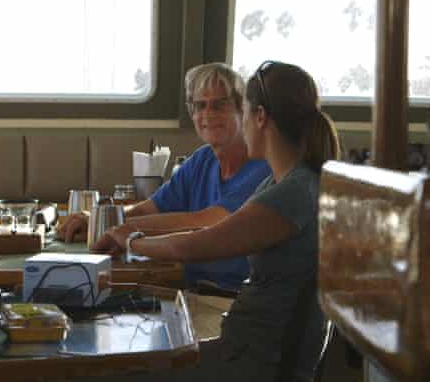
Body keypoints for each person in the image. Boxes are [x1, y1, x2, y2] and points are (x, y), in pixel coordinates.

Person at [92, 61, 340, 381]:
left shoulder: (294, 191)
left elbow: (199, 244)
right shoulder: (283, 182)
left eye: (243, 111)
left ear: (259, 117)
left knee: (109, 369)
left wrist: (132, 241)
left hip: (253, 360)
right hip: (243, 345)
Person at [59, 63, 270, 290]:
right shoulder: (202, 159)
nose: (208, 114)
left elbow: (206, 222)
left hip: (230, 294)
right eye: (200, 105)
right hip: (189, 286)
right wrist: (96, 217)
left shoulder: (262, 166)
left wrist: (115, 228)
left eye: (219, 104)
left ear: (241, 109)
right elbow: (151, 207)